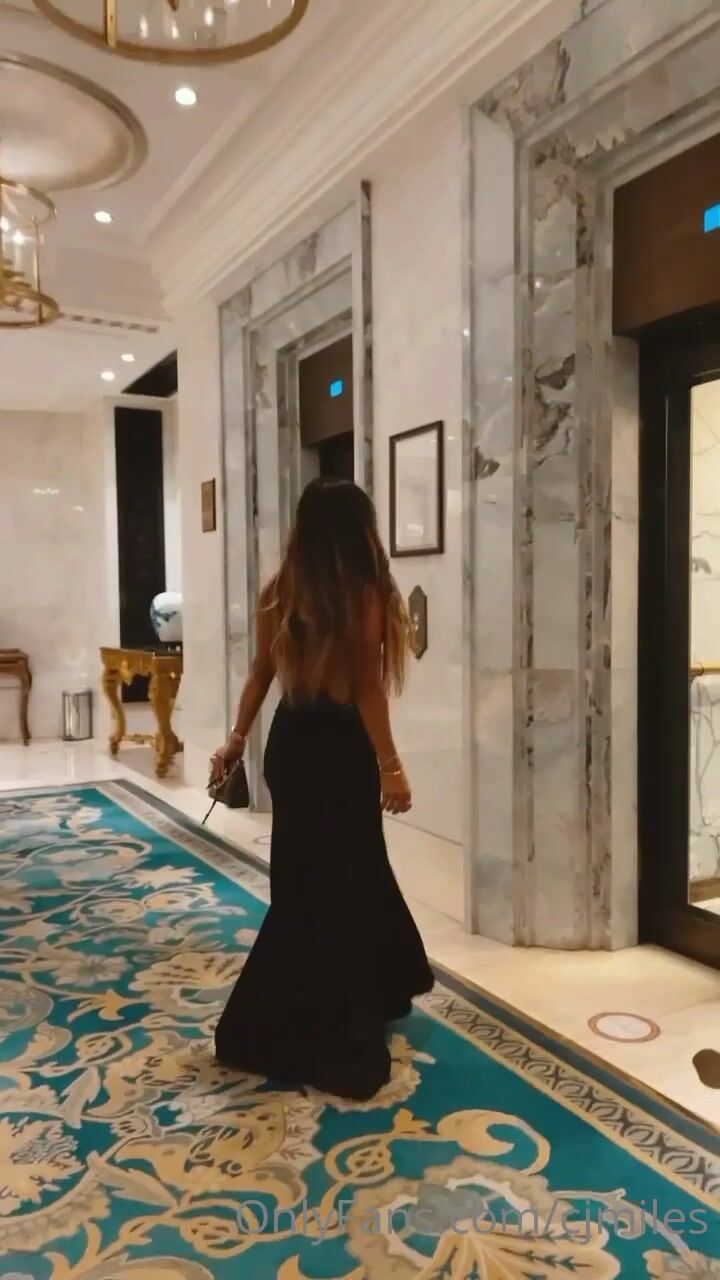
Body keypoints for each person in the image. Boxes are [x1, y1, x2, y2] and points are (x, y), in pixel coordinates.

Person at [211, 477, 434, 1100]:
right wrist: (391, 764)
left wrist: (236, 739)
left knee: (304, 882)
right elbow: (367, 688)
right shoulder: (364, 594)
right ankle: (339, 1019)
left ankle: (311, 1006)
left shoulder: (280, 592)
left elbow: (260, 675)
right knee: (345, 880)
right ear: (359, 531)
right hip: (339, 751)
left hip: (291, 747)